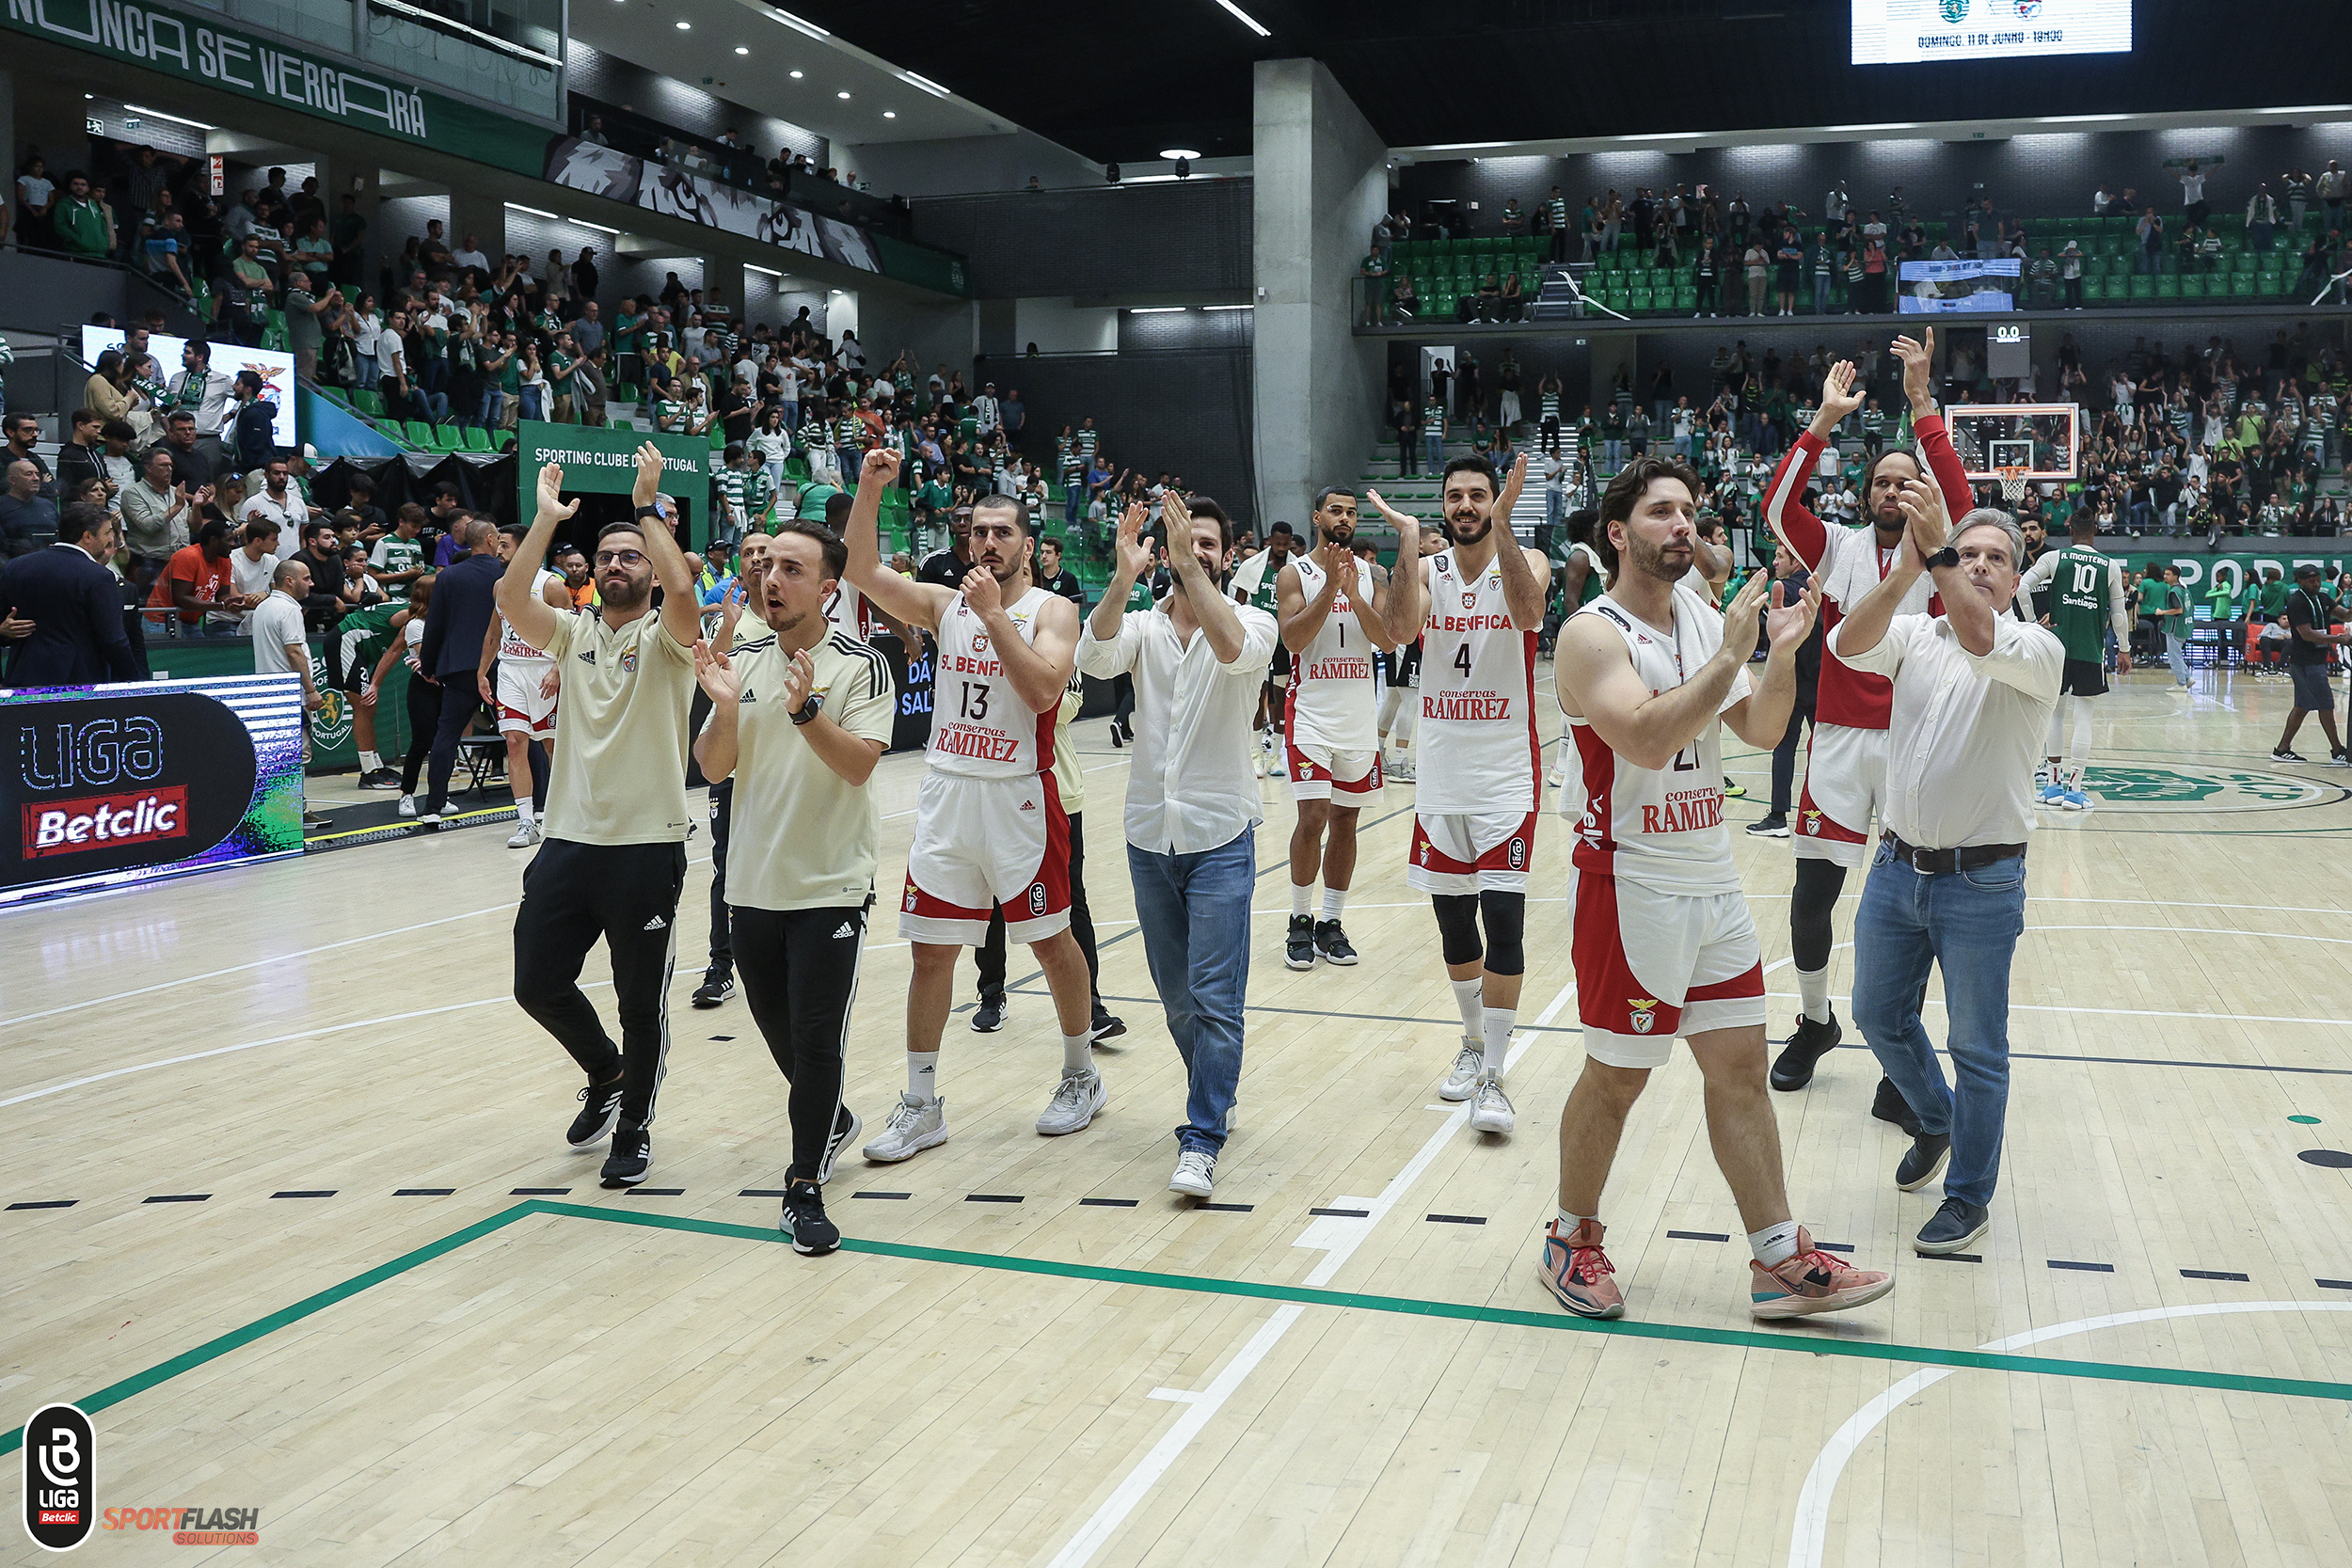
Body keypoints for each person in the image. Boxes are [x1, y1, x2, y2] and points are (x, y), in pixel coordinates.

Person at [1544, 454, 1889, 1319]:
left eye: (1690, 511)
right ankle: (1570, 1236)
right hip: (1632, 883)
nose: (1683, 525)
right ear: (1618, 532)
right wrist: (1732, 649)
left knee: (1738, 1066)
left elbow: (1765, 725)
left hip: (1711, 873)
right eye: (1663, 512)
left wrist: (1775, 657)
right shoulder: (1592, 632)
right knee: (1618, 1078)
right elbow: (1648, 741)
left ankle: (1777, 1256)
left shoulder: (1700, 614)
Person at [841, 448, 1105, 1163]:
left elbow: (1046, 691)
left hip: (1021, 794)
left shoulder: (1053, 610)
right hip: (948, 793)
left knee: (1052, 943)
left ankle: (1081, 1074)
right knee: (931, 953)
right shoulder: (941, 602)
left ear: (1028, 542)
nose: (988, 542)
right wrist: (869, 487)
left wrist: (994, 619)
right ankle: (922, 1102)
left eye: (1002, 532)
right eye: (978, 532)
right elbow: (861, 571)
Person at [1835, 487, 2062, 1255]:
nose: (1979, 566)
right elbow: (1844, 644)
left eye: (1995, 558)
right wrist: (1905, 574)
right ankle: (1935, 1116)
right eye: (1968, 554)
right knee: (1874, 1012)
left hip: (1982, 884)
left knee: (1979, 1048)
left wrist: (1936, 560)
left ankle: (1968, 1197)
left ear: (2016, 577)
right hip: (1897, 870)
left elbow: (1978, 632)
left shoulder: (2035, 649)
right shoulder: (1918, 631)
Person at [1759, 332, 1974, 1118]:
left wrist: (1924, 413)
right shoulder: (1838, 548)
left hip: (1920, 747)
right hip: (1841, 744)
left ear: (1920, 496)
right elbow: (1777, 506)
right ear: (1867, 494)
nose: (1891, 491)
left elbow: (1963, 497)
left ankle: (1897, 1052)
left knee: (1918, 903)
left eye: (1904, 483)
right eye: (1881, 482)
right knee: (1812, 888)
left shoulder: (1945, 559)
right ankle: (1815, 1022)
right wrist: (1820, 423)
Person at [499, 449, 704, 1187]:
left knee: (639, 1000)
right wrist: (546, 522)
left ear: (651, 569)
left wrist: (648, 509)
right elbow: (510, 595)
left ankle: (637, 1126)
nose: (618, 563)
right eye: (609, 555)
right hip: (569, 843)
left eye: (632, 556)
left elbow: (683, 591)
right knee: (535, 981)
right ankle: (606, 1072)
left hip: (646, 849)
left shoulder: (671, 641)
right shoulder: (575, 630)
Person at [691, 520, 897, 1257]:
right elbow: (714, 769)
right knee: (782, 1033)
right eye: (766, 566)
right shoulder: (738, 660)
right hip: (750, 885)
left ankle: (802, 1185)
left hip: (830, 887)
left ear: (828, 588)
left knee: (815, 1041)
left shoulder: (861, 666)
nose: (769, 579)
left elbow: (859, 767)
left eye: (791, 568)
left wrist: (806, 711)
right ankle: (832, 1120)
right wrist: (721, 707)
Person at [1079, 492, 1279, 1196]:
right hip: (1147, 836)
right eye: (1182, 541)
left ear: (1227, 555)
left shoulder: (1253, 621)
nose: (1196, 551)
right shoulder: (1142, 626)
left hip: (1221, 836)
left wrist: (1187, 569)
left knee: (1215, 998)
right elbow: (1095, 656)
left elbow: (1231, 651)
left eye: (1208, 543)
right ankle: (1216, 1093)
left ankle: (1202, 1133)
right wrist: (1125, 574)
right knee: (1176, 1002)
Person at [1374, 454, 1551, 1138]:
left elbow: (1530, 610)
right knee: (1454, 925)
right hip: (1442, 772)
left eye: (1479, 495)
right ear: (1445, 506)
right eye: (1458, 496)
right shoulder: (1426, 568)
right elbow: (1400, 631)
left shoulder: (1526, 557)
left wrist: (1505, 522)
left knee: (1505, 921)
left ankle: (1498, 1077)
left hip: (1506, 770)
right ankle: (1474, 1041)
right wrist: (1408, 540)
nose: (1468, 505)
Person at [1274, 485, 1401, 969]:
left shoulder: (1374, 573)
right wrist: (1330, 588)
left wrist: (1353, 591)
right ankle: (1299, 921)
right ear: (1318, 516)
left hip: (1358, 718)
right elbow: (1292, 639)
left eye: (1351, 512)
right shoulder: (1295, 573)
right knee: (1314, 817)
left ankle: (1331, 922)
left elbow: (1386, 639)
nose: (1344, 518)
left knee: (1347, 821)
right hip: (1311, 714)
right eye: (1336, 510)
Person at [2018, 514, 2131, 809]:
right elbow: (2118, 615)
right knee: (2084, 717)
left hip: (2055, 647)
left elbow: (2020, 588)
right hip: (2090, 649)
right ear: (2095, 531)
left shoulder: (2054, 558)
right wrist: (2125, 648)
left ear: (2070, 531)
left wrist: (2032, 624)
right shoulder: (2110, 566)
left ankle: (2053, 785)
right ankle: (2075, 789)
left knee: (2054, 714)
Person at [482, 523, 571, 847]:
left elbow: (574, 635)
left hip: (545, 670)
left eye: (504, 545)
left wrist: (558, 670)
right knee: (515, 743)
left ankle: (562, 813)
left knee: (552, 748)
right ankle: (525, 821)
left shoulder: (552, 586)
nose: (498, 551)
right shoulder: (500, 586)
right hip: (511, 670)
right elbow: (494, 631)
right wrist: (482, 671)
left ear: (523, 547)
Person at [412, 515, 501, 826]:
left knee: (446, 736)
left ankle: (433, 807)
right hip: (501, 664)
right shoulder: (507, 573)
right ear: (489, 540)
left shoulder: (448, 576)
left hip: (459, 665)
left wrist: (429, 666)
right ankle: (541, 802)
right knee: (521, 733)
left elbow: (434, 625)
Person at [0, 502, 139, 685]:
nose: (111, 538)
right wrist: (133, 683)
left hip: (23, 677)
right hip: (77, 683)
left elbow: (4, 624)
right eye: (107, 533)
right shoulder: (98, 577)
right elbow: (113, 640)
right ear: (88, 537)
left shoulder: (15, 566)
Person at [1746, 541, 1820, 837]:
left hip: (1792, 685)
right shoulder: (1822, 586)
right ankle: (1824, 817)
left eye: (1780, 557)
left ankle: (1778, 817)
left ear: (1796, 561)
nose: (1775, 562)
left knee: (1784, 748)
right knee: (1825, 753)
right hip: (1821, 683)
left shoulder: (1788, 589)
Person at [2271, 563, 2352, 765]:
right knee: (2326, 704)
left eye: (2317, 580)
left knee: (2302, 706)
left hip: (2316, 660)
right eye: (2311, 580)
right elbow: (2306, 634)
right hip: (2305, 661)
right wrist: (2339, 639)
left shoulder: (2323, 598)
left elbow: (2345, 615)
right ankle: (2337, 750)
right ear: (2299, 581)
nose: (2316, 584)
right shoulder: (2297, 601)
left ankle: (2282, 750)